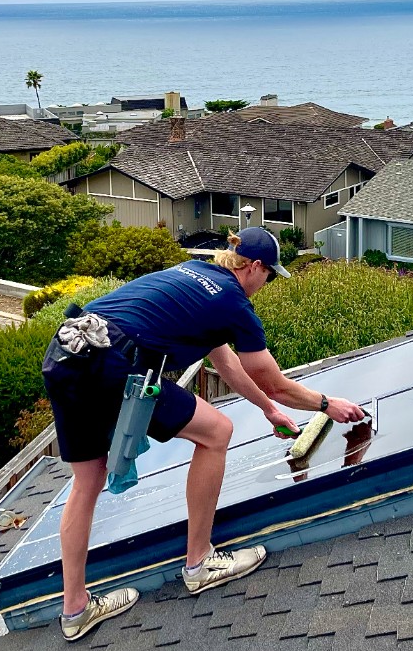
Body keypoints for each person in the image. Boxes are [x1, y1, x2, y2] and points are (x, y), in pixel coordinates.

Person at [42, 226, 365, 642]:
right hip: (112, 363)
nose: (266, 285)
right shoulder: (233, 302)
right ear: (255, 267)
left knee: (87, 481)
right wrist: (326, 403)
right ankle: (199, 564)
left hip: (70, 351)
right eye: (269, 276)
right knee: (217, 431)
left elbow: (227, 363)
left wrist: (269, 411)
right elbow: (275, 381)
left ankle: (75, 610)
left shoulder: (194, 271)